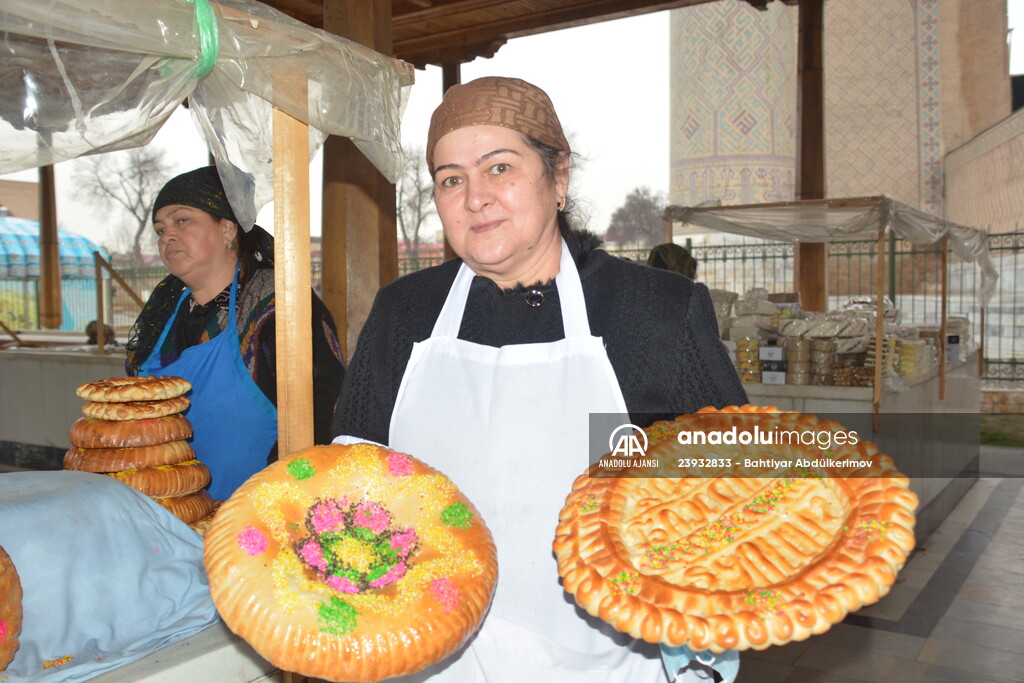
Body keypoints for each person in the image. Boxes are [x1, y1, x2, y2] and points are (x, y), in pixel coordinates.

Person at [332, 77, 746, 681]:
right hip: (427, 661)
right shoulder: (403, 313)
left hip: (603, 664)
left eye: (499, 168)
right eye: (451, 179)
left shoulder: (655, 311)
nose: (475, 198)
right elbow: (351, 490)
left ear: (559, 177)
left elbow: (734, 501)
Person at [125, 166, 345, 501]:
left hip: (258, 521)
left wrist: (276, 499)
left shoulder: (278, 305)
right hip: (166, 514)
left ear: (228, 229)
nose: (167, 236)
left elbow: (324, 408)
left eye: (181, 220)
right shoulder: (161, 316)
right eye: (160, 229)